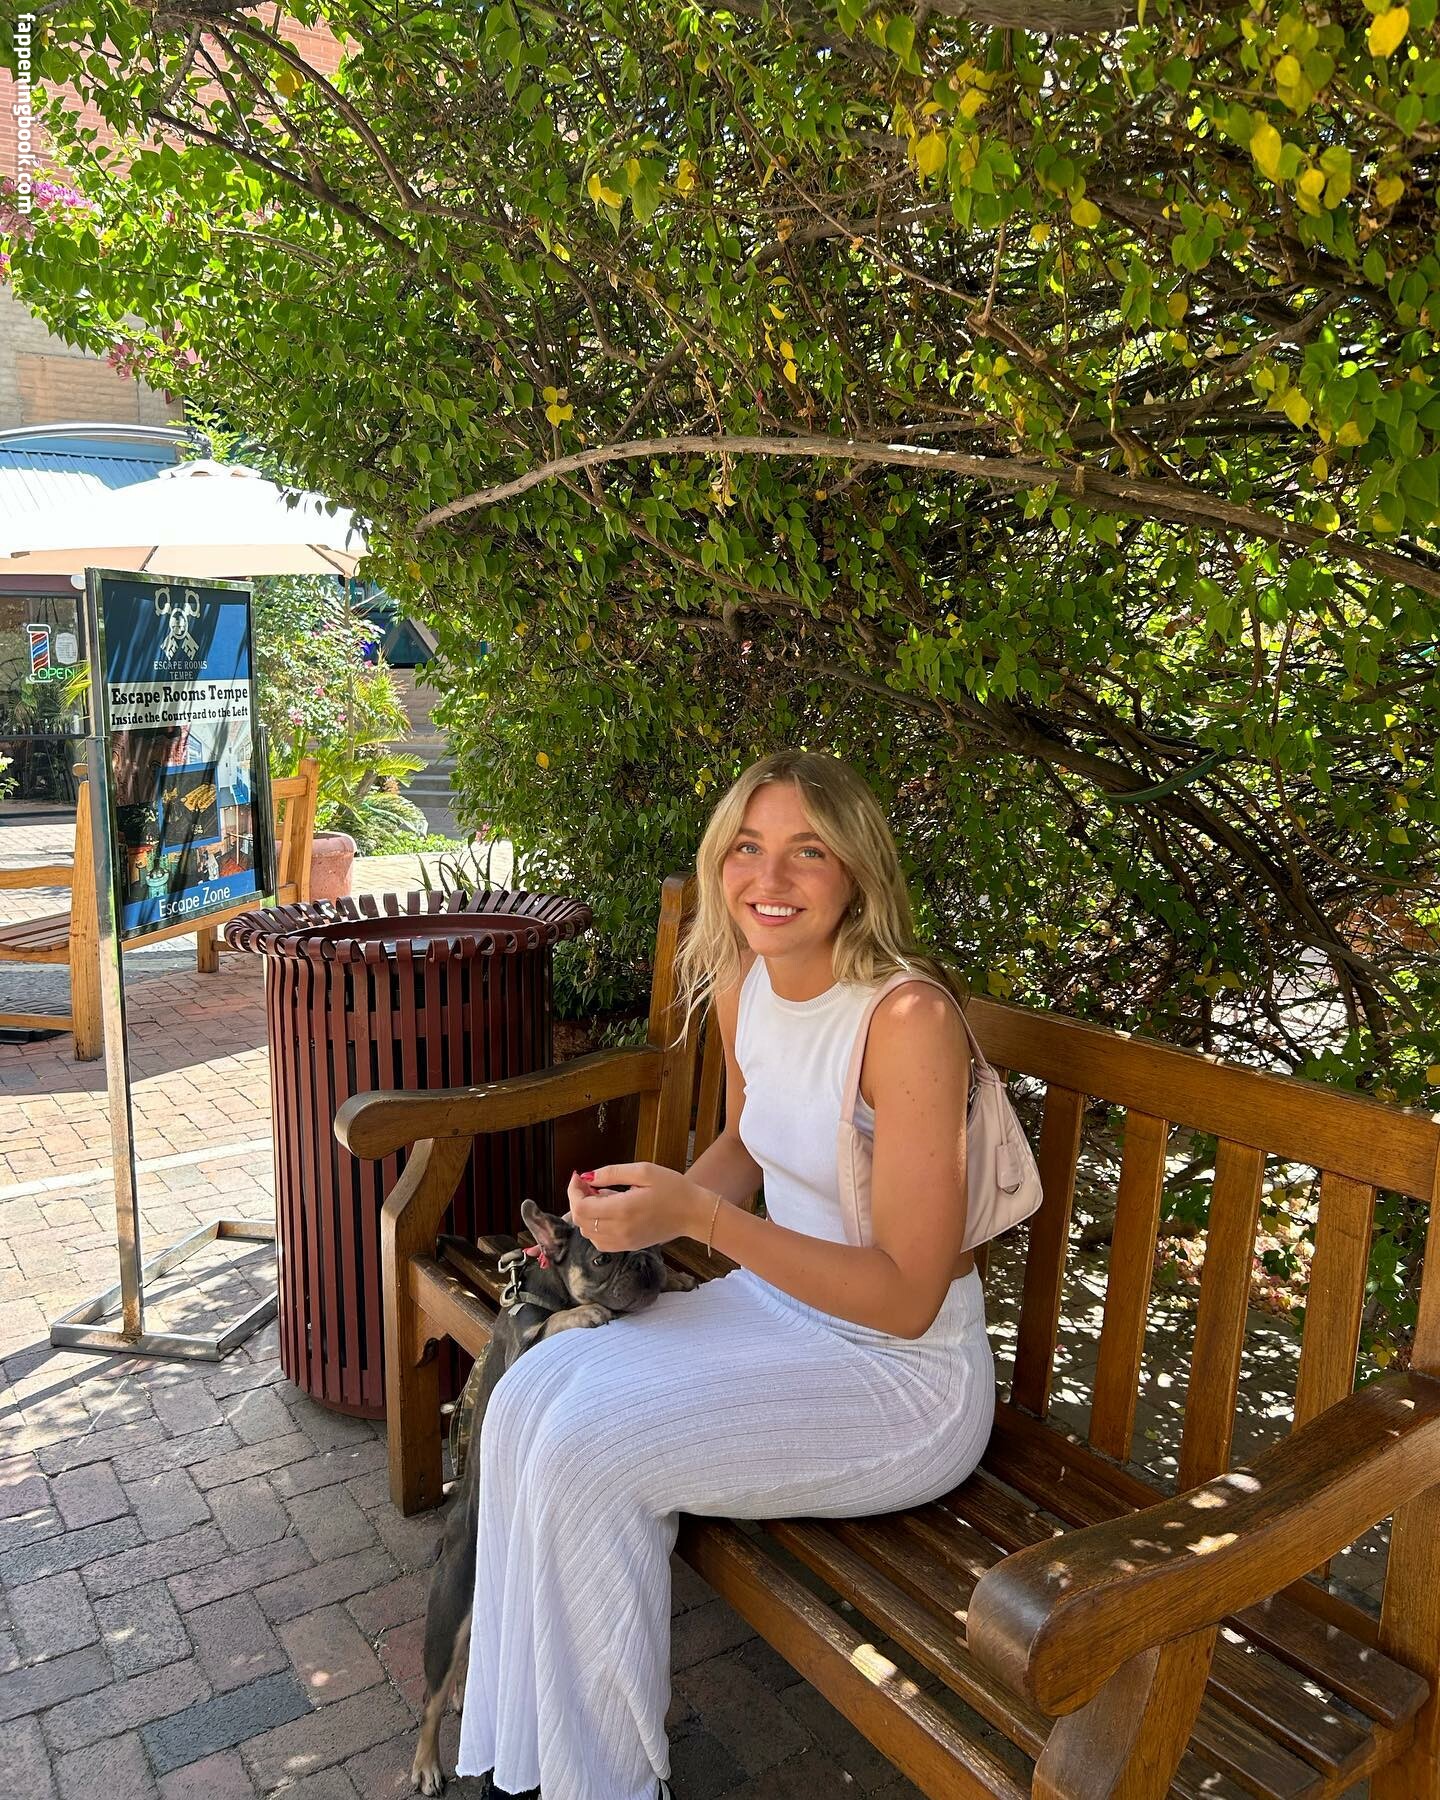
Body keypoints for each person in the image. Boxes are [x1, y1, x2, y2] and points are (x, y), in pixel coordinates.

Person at [457, 749, 995, 1800]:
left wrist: (697, 1218)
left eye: (808, 852)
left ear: (857, 871)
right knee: (527, 1397)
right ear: (718, 862)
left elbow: (905, 1298)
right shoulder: (749, 981)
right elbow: (751, 1142)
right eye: (747, 848)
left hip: (903, 1380)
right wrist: (633, 1220)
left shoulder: (907, 1020)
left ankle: (605, 1785)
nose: (770, 879)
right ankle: (529, 1762)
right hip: (783, 1314)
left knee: (589, 1449)